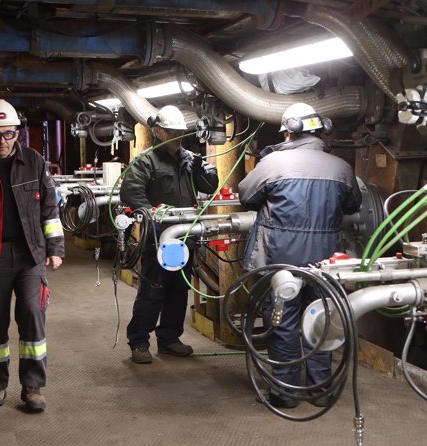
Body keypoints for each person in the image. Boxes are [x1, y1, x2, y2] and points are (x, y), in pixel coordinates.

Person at [238, 102, 362, 408]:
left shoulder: (273, 163)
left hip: (279, 260)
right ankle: (321, 391)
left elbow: (246, 196)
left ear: (289, 132)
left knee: (283, 326)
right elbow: (353, 206)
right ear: (319, 131)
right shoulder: (341, 167)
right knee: (320, 322)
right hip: (324, 262)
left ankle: (286, 393)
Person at [0, 99, 64, 411]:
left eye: (9, 134)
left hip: (30, 255)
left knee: (33, 315)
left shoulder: (34, 162)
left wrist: (56, 248)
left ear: (17, 132)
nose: (2, 142)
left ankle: (32, 388)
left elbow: (50, 209)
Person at [120, 105, 219, 364]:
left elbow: (209, 186)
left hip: (184, 237)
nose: (176, 136)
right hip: (158, 238)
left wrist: (200, 168)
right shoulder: (146, 161)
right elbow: (130, 192)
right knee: (153, 289)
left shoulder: (189, 159)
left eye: (179, 132)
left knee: (178, 289)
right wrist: (151, 212)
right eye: (170, 131)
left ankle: (169, 338)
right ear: (157, 131)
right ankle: (139, 341)